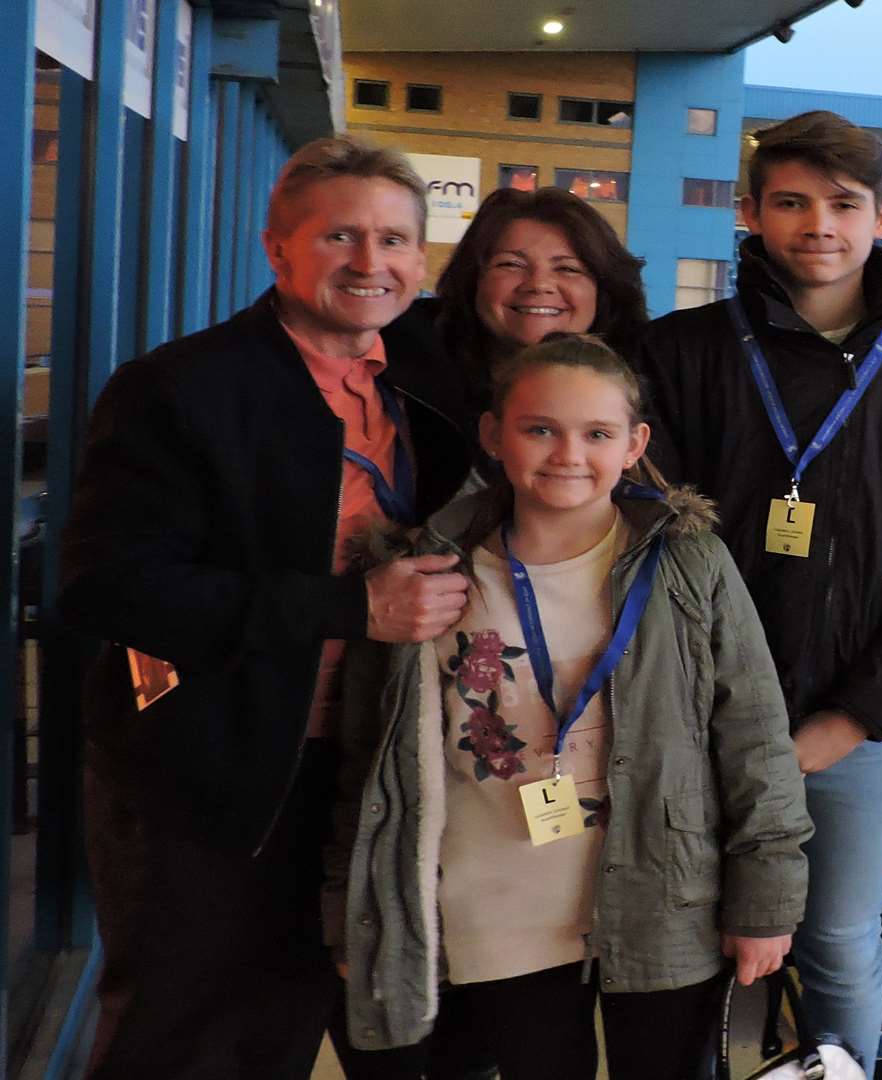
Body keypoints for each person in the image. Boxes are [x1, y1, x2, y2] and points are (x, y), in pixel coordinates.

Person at [57, 136, 474, 1077]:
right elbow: (108, 584)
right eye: (340, 236)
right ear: (275, 248)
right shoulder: (179, 387)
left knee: (290, 1017)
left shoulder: (422, 381)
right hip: (209, 767)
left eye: (396, 240)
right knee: (184, 1030)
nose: (372, 262)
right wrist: (345, 608)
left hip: (363, 755)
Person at [327, 335, 813, 1080]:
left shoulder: (687, 562)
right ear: (494, 434)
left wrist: (767, 900)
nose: (568, 454)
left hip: (664, 894)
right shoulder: (423, 570)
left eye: (597, 434)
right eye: (539, 429)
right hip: (498, 902)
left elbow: (753, 735)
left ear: (634, 445)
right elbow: (368, 758)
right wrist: (347, 902)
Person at [636, 110, 882, 1074]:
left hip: (848, 724)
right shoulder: (678, 355)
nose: (818, 226)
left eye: (843, 204)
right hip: (689, 715)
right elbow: (641, 530)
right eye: (791, 202)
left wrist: (848, 723)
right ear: (752, 213)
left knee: (838, 942)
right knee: (685, 938)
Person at [422, 185, 648, 419]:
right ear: (473, 279)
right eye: (511, 264)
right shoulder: (408, 378)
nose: (539, 284)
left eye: (567, 268)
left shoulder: (654, 394)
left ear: (603, 290)